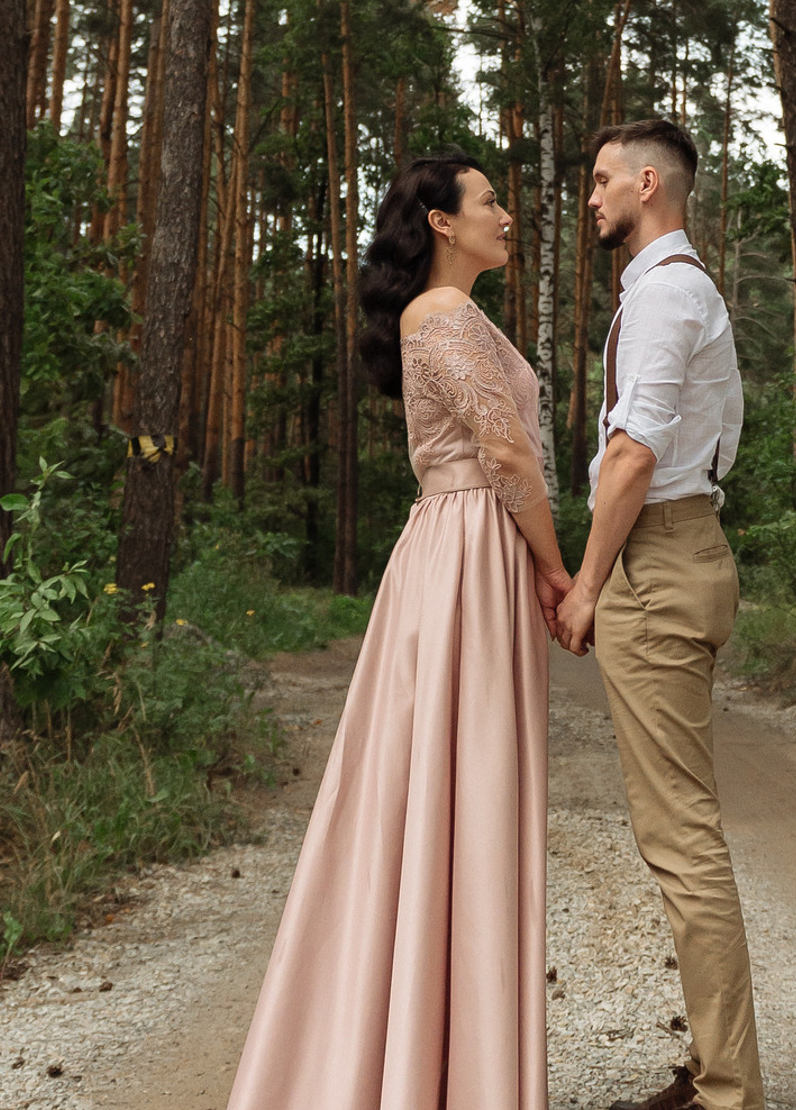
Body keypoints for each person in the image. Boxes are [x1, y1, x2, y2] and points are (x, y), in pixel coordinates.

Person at [224, 155, 571, 1110]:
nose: (507, 213)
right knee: (454, 792)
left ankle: (437, 1060)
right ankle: (429, 1068)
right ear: (442, 223)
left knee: (445, 796)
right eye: (491, 201)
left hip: (464, 554)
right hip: (469, 556)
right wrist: (554, 566)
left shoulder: (458, 315)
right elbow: (504, 451)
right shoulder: (445, 316)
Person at [556, 119, 762, 1110]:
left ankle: (729, 1093)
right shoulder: (662, 291)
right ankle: (719, 1072)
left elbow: (634, 454)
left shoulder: (669, 293)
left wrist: (589, 583)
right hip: (672, 548)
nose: (590, 197)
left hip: (661, 555)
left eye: (601, 181)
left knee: (683, 841)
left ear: (648, 184)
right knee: (677, 836)